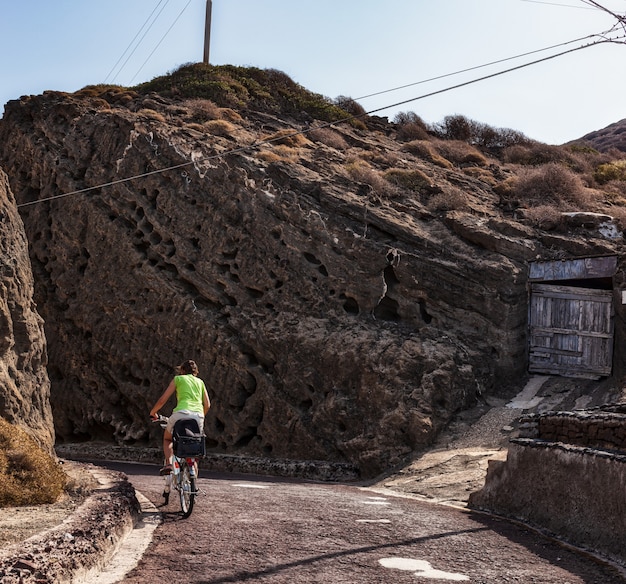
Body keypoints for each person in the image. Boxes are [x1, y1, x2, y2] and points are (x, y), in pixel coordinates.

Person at [150, 359, 210, 475]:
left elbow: (163, 400)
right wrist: (201, 416)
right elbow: (207, 405)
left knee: (168, 438)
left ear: (182, 370)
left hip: (180, 414)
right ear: (196, 371)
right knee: (193, 443)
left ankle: (168, 463)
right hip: (198, 416)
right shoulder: (200, 382)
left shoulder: (178, 379)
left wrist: (153, 412)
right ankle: (194, 483)